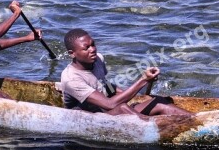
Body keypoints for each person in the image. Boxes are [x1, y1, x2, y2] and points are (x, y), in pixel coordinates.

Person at [59, 28, 192, 117]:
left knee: (159, 101)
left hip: (109, 111)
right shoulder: (71, 79)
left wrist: (127, 93)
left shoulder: (98, 59)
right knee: (123, 108)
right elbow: (109, 104)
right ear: (72, 54)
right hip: (89, 118)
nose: (92, 49)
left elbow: (105, 85)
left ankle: (199, 120)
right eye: (86, 48)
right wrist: (143, 80)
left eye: (93, 44)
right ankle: (153, 126)